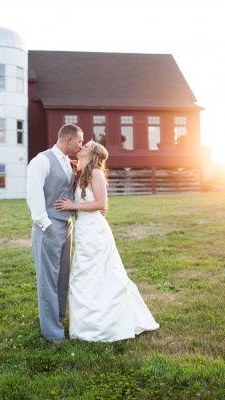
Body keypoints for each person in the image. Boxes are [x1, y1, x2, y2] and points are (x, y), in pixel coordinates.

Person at [55, 140, 159, 342]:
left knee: (100, 274)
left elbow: (100, 203)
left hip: (95, 231)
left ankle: (109, 323)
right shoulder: (80, 172)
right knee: (84, 275)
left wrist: (73, 205)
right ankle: (86, 325)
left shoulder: (95, 173)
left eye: (86, 146)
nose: (81, 147)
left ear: (92, 153)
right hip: (84, 231)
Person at [26, 123, 84, 342]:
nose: (81, 145)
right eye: (79, 140)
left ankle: (58, 318)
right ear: (69, 140)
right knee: (47, 280)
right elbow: (33, 195)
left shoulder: (70, 164)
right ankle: (52, 333)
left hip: (66, 226)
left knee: (62, 277)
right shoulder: (41, 161)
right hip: (48, 228)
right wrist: (46, 225)